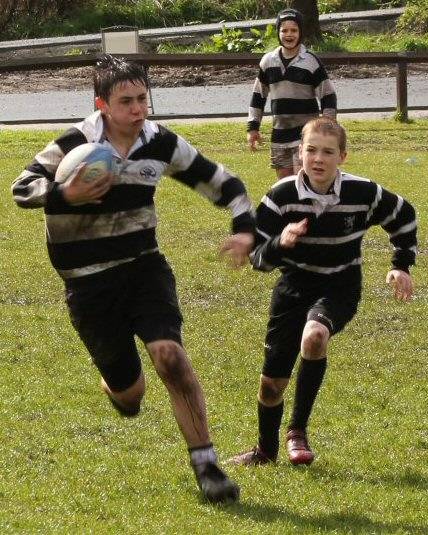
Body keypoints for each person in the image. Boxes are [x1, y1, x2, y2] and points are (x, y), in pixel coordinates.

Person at [12, 54, 255, 503]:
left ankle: (207, 467)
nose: (138, 109)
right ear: (102, 103)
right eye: (126, 101)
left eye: (143, 98)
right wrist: (66, 192)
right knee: (130, 395)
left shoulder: (159, 143)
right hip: (87, 283)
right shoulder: (74, 143)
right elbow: (22, 187)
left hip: (143, 267)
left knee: (170, 356)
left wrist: (244, 228)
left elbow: (223, 182)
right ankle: (118, 388)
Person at [230, 117, 416, 466]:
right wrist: (280, 244)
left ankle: (297, 432)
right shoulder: (280, 196)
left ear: (342, 157)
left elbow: (404, 216)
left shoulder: (363, 193)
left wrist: (400, 264)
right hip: (293, 288)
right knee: (271, 386)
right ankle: (265, 451)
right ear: (299, 153)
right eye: (311, 150)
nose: (318, 159)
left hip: (339, 285)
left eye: (328, 152)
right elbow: (257, 258)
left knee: (315, 336)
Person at [247, 8, 337, 180]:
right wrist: (253, 128)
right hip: (279, 135)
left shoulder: (310, 61)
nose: (289, 34)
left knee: (301, 180)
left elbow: (328, 95)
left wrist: (328, 126)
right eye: (284, 30)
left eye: (294, 30)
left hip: (305, 135)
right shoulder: (268, 61)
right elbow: (258, 96)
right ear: (278, 32)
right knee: (285, 185)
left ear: (301, 32)